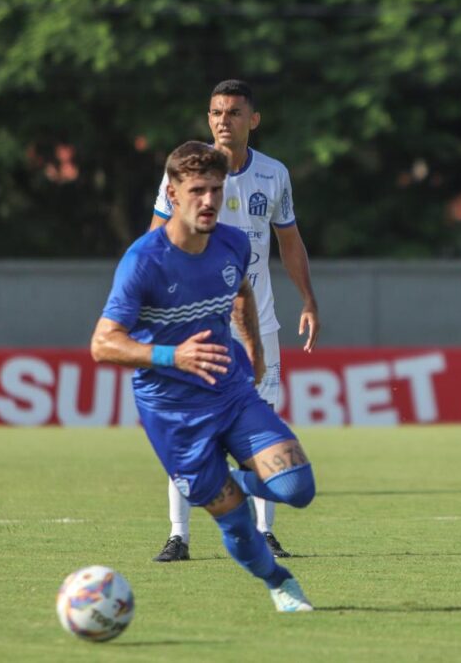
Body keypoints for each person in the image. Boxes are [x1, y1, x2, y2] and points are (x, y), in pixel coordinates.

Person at [92, 141, 316, 612]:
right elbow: (103, 343)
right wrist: (174, 356)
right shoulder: (144, 261)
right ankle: (279, 582)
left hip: (230, 392)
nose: (209, 201)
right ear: (172, 194)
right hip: (173, 414)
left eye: (215, 189)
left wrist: (253, 351)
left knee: (298, 488)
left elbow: (240, 292)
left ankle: (222, 481)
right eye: (197, 191)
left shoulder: (232, 242)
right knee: (236, 526)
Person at [149, 79, 319, 562]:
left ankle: (265, 532)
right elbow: (155, 239)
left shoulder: (274, 174)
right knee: (188, 428)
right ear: (209, 119)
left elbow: (288, 242)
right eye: (217, 112)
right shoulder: (184, 170)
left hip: (258, 327)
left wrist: (308, 298)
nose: (224, 120)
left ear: (253, 120)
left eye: (234, 112)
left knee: (263, 429)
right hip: (195, 327)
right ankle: (178, 535)